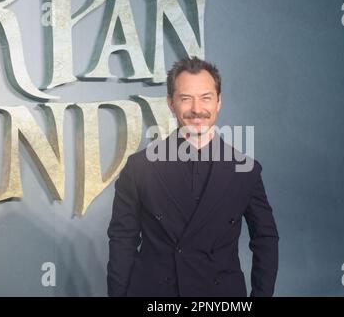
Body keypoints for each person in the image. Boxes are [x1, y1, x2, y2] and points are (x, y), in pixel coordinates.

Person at [107, 56, 279, 297]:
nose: (197, 109)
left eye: (206, 98)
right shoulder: (139, 168)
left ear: (219, 102)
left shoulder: (246, 171)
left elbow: (266, 239)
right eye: (186, 98)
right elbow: (122, 241)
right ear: (170, 103)